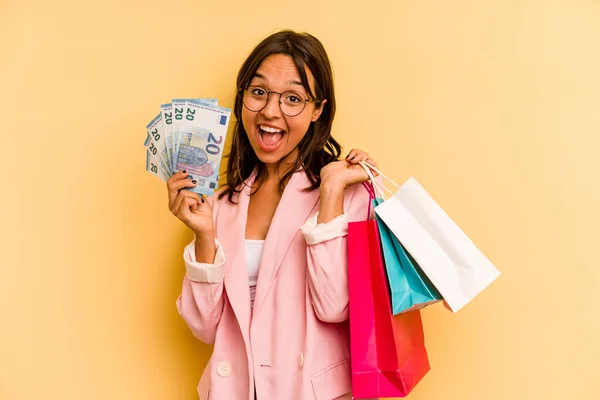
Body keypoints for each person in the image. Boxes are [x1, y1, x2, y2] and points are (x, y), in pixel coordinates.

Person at [167, 30, 378, 400]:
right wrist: (203, 234)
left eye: (293, 98)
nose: (269, 111)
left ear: (318, 110)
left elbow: (335, 307)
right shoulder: (221, 204)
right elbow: (203, 328)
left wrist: (329, 193)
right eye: (259, 91)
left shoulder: (347, 192)